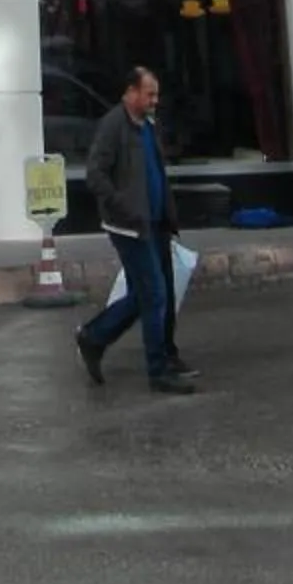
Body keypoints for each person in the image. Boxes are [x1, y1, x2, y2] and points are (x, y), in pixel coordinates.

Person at [75, 65, 196, 395]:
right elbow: (95, 174)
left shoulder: (148, 125)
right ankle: (156, 370)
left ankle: (97, 338)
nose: (154, 100)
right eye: (149, 93)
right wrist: (124, 207)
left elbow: (155, 171)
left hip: (155, 223)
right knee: (153, 293)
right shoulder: (114, 125)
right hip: (130, 227)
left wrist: (166, 215)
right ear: (130, 92)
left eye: (156, 93)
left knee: (156, 293)